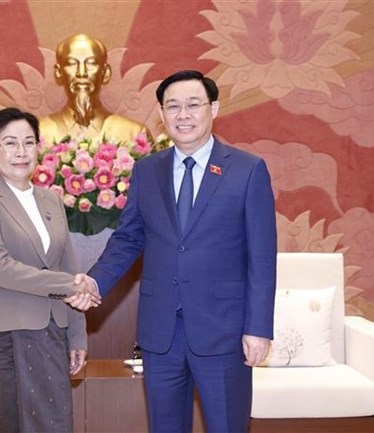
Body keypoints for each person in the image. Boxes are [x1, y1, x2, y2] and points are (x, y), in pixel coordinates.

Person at [71, 70, 277, 433]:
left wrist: (258, 328)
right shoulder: (147, 170)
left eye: (193, 105)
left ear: (213, 108)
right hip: (161, 331)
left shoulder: (247, 170)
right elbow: (129, 239)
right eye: (173, 106)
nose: (183, 115)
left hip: (224, 331)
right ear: (162, 115)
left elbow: (261, 258)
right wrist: (95, 281)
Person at [0, 107, 100, 432]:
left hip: (49, 331)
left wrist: (77, 335)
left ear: (39, 148)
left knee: (51, 423)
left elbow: (69, 265)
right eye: (9, 143)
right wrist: (71, 285)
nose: (21, 152)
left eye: (28, 142)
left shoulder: (51, 199)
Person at [39, 33, 150, 145]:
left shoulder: (135, 134)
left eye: (91, 63)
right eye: (71, 63)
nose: (81, 73)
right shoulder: (38, 133)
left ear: (105, 72)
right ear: (58, 72)